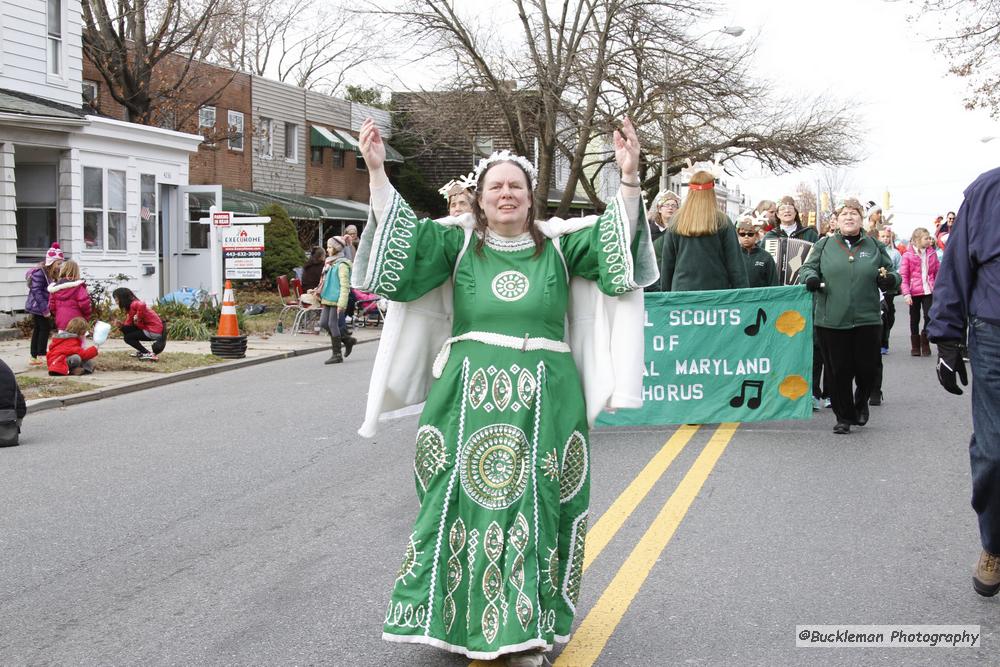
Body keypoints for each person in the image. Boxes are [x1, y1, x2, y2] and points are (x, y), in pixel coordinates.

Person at [354, 116, 654, 666]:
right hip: (466, 395)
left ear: (529, 197)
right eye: (497, 186)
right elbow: (401, 252)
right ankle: (456, 622)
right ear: (480, 197)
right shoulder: (458, 245)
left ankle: (525, 632)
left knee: (541, 508)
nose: (507, 194)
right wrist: (377, 174)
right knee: (459, 501)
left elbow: (619, 251)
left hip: (549, 397)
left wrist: (629, 179)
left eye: (516, 185)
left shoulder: (563, 247)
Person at [928, 167, 1000, 597]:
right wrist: (947, 338)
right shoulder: (987, 190)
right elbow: (955, 267)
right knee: (994, 451)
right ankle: (994, 545)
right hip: (994, 333)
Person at [799, 198, 901, 434]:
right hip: (831, 319)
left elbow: (894, 273)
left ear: (860, 218)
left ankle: (861, 401)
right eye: (844, 214)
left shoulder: (873, 245)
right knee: (838, 371)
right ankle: (843, 417)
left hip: (867, 318)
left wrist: (890, 280)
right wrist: (810, 279)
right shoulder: (824, 245)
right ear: (837, 219)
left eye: (854, 214)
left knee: (868, 369)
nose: (849, 217)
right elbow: (807, 268)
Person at [658, 171, 748, 291]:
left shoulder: (676, 221)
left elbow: (667, 263)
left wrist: (666, 296)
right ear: (712, 192)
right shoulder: (722, 221)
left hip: (682, 292)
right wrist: (743, 296)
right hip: (716, 292)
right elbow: (735, 264)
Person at [899, 227, 940, 357]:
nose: (929, 240)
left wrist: (938, 287)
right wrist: (906, 293)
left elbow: (937, 271)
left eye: (929, 238)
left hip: (928, 290)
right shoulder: (907, 255)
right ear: (917, 240)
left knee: (929, 316)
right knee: (914, 318)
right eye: (926, 238)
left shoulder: (932, 253)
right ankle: (915, 346)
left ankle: (925, 341)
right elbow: (903, 276)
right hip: (913, 291)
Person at [316, 236, 354, 364]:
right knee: (323, 323)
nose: (327, 249)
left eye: (330, 247)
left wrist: (342, 303)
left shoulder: (342, 265)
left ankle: (337, 354)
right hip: (327, 297)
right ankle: (347, 340)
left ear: (337, 248)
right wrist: (316, 290)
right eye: (327, 247)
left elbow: (345, 286)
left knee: (333, 324)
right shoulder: (329, 263)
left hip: (337, 299)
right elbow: (325, 280)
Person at [24, 243, 64, 366]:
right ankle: (40, 354)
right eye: (58, 263)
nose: (59, 266)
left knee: (39, 329)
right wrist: (45, 309)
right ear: (51, 262)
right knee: (44, 328)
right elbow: (36, 291)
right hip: (38, 306)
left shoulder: (49, 273)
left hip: (42, 305)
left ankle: (34, 355)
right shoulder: (40, 273)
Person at [112, 287, 166, 360]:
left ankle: (147, 353)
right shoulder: (131, 308)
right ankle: (143, 352)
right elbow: (128, 326)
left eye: (117, 299)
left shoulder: (134, 304)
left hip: (153, 331)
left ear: (123, 298)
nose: (116, 302)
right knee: (126, 332)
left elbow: (142, 304)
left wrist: (138, 316)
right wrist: (121, 326)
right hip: (150, 329)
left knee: (128, 338)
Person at [47, 260, 91, 331]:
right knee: (79, 341)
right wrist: (86, 317)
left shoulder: (55, 288)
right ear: (76, 272)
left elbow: (52, 306)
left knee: (63, 341)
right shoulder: (79, 287)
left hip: (61, 321)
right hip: (77, 322)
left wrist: (59, 314)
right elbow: (85, 305)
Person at [736, 217, 779, 287]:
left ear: (756, 235)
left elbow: (774, 283)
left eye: (750, 234)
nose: (746, 236)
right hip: (738, 297)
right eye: (742, 234)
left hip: (761, 297)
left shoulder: (766, 257)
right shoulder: (732, 256)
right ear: (738, 236)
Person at [0, 358, 26, 447]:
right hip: (8, 422)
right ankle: (8, 432)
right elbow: (20, 402)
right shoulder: (5, 367)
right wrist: (17, 424)